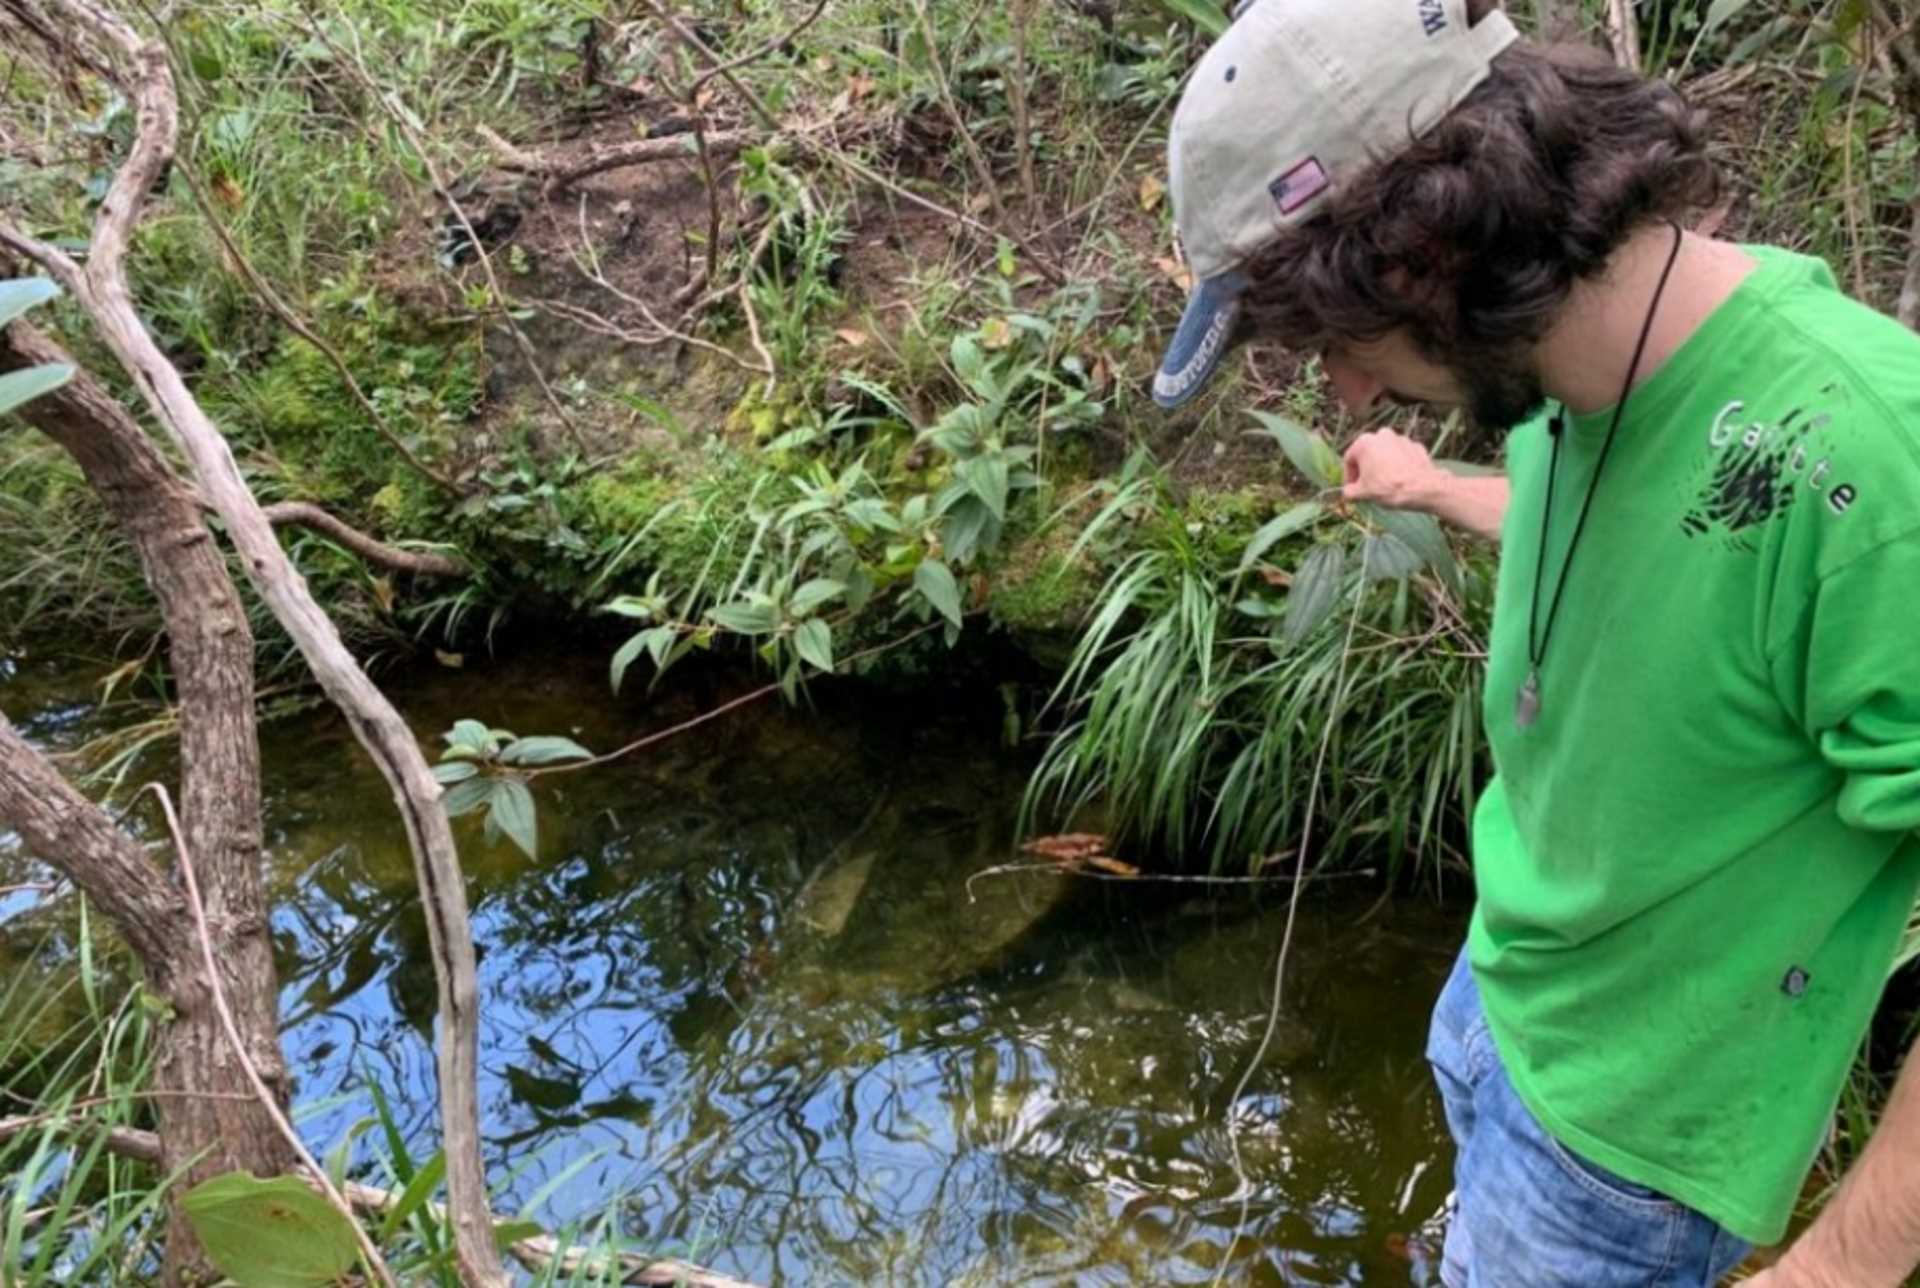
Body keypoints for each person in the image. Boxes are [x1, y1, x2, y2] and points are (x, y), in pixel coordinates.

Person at [1152, 1, 1920, 1284]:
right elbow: (1679, 554)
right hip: (1504, 1009)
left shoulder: (1866, 460)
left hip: (1620, 1162)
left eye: (1333, 340)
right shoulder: (1579, 364)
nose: (1345, 388)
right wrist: (1442, 490)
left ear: (1421, 254)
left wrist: (1837, 1267)